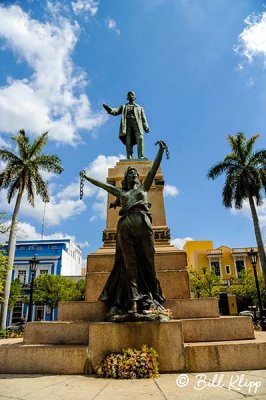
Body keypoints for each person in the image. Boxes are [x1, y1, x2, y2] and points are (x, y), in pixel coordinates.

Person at [81, 141, 168, 321]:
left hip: (144, 223)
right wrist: (87, 178)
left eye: (135, 173)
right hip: (125, 225)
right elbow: (102, 186)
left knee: (149, 260)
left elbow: (153, 169)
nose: (134, 175)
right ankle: (134, 300)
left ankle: (151, 295)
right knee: (129, 264)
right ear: (126, 180)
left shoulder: (144, 188)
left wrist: (160, 150)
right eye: (131, 174)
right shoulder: (122, 194)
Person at [103, 91, 150, 160]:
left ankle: (141, 156)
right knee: (128, 142)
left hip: (137, 125)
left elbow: (143, 118)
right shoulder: (124, 107)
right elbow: (115, 111)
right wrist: (109, 109)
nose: (131, 95)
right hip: (127, 126)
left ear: (135, 97)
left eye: (132, 94)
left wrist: (146, 126)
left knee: (140, 138)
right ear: (127, 97)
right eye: (129, 95)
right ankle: (130, 157)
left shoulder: (140, 108)